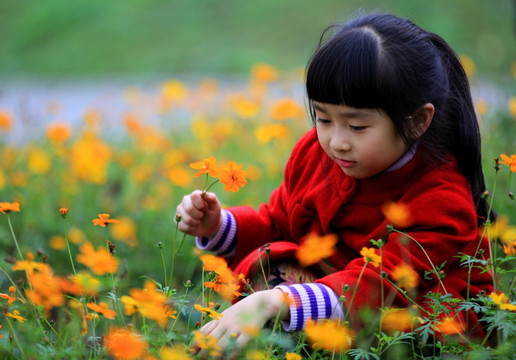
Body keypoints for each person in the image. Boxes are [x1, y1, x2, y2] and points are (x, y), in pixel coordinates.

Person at [176, 12, 494, 358]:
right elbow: (281, 223)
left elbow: (381, 285)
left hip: (415, 319)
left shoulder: (440, 196)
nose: (336, 141)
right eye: (323, 118)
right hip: (337, 291)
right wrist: (219, 225)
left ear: (417, 121)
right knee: (271, 275)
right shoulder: (316, 152)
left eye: (357, 126)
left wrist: (276, 301)